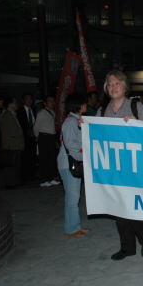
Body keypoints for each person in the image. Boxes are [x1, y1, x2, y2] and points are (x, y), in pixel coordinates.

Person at [97, 70, 143, 260]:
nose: (113, 87)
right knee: (119, 209)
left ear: (124, 86)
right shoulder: (102, 111)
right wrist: (85, 126)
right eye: (109, 84)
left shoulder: (136, 106)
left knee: (135, 206)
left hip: (135, 167)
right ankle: (127, 247)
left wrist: (137, 123)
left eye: (117, 83)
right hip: (113, 168)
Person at [57, 93, 90, 238]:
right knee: (72, 197)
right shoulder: (71, 121)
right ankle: (71, 229)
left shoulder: (75, 120)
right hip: (69, 163)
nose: (86, 105)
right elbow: (71, 144)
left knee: (73, 197)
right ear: (79, 105)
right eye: (84, 103)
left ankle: (75, 226)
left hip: (71, 162)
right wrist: (86, 148)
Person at [33, 95, 60, 187]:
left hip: (51, 137)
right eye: (49, 101)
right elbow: (36, 127)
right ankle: (44, 180)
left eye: (53, 101)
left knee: (51, 158)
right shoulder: (41, 113)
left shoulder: (52, 112)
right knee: (44, 159)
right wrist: (37, 137)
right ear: (45, 103)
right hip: (44, 137)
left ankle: (51, 178)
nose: (52, 102)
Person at [0, 97, 24, 188]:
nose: (17, 105)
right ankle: (11, 183)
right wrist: (20, 134)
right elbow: (8, 132)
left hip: (14, 144)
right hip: (11, 144)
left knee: (14, 164)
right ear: (10, 104)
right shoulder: (7, 115)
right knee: (11, 164)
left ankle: (14, 182)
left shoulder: (11, 114)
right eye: (15, 103)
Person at [16, 92, 37, 180]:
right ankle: (24, 176)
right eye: (27, 99)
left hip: (32, 138)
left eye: (30, 99)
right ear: (23, 100)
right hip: (24, 138)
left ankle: (31, 174)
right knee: (24, 157)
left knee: (32, 156)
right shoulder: (19, 111)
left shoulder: (33, 110)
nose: (29, 101)